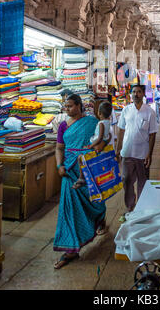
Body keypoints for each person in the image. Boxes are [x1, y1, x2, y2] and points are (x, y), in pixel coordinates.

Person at [53, 94, 108, 269]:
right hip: (70, 171)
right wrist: (59, 165)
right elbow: (59, 148)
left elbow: (104, 139)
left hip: (88, 169)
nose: (66, 109)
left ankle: (99, 218)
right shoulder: (63, 126)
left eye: (69, 106)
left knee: (94, 204)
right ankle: (70, 250)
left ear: (79, 106)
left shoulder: (91, 122)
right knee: (70, 209)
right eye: (65, 106)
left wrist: (99, 147)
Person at [116, 85, 158, 218]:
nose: (136, 94)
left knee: (143, 181)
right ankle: (130, 206)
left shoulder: (149, 112)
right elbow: (121, 130)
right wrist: (118, 149)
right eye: (134, 92)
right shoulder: (126, 110)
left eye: (139, 92)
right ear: (130, 94)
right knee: (126, 180)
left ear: (143, 94)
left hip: (142, 153)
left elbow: (152, 134)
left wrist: (149, 154)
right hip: (127, 152)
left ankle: (142, 207)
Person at [72, 101, 113, 189]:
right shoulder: (108, 123)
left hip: (95, 144)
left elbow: (99, 138)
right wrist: (106, 141)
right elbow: (108, 135)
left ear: (99, 113)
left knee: (80, 157)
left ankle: (81, 177)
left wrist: (91, 146)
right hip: (100, 144)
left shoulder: (101, 123)